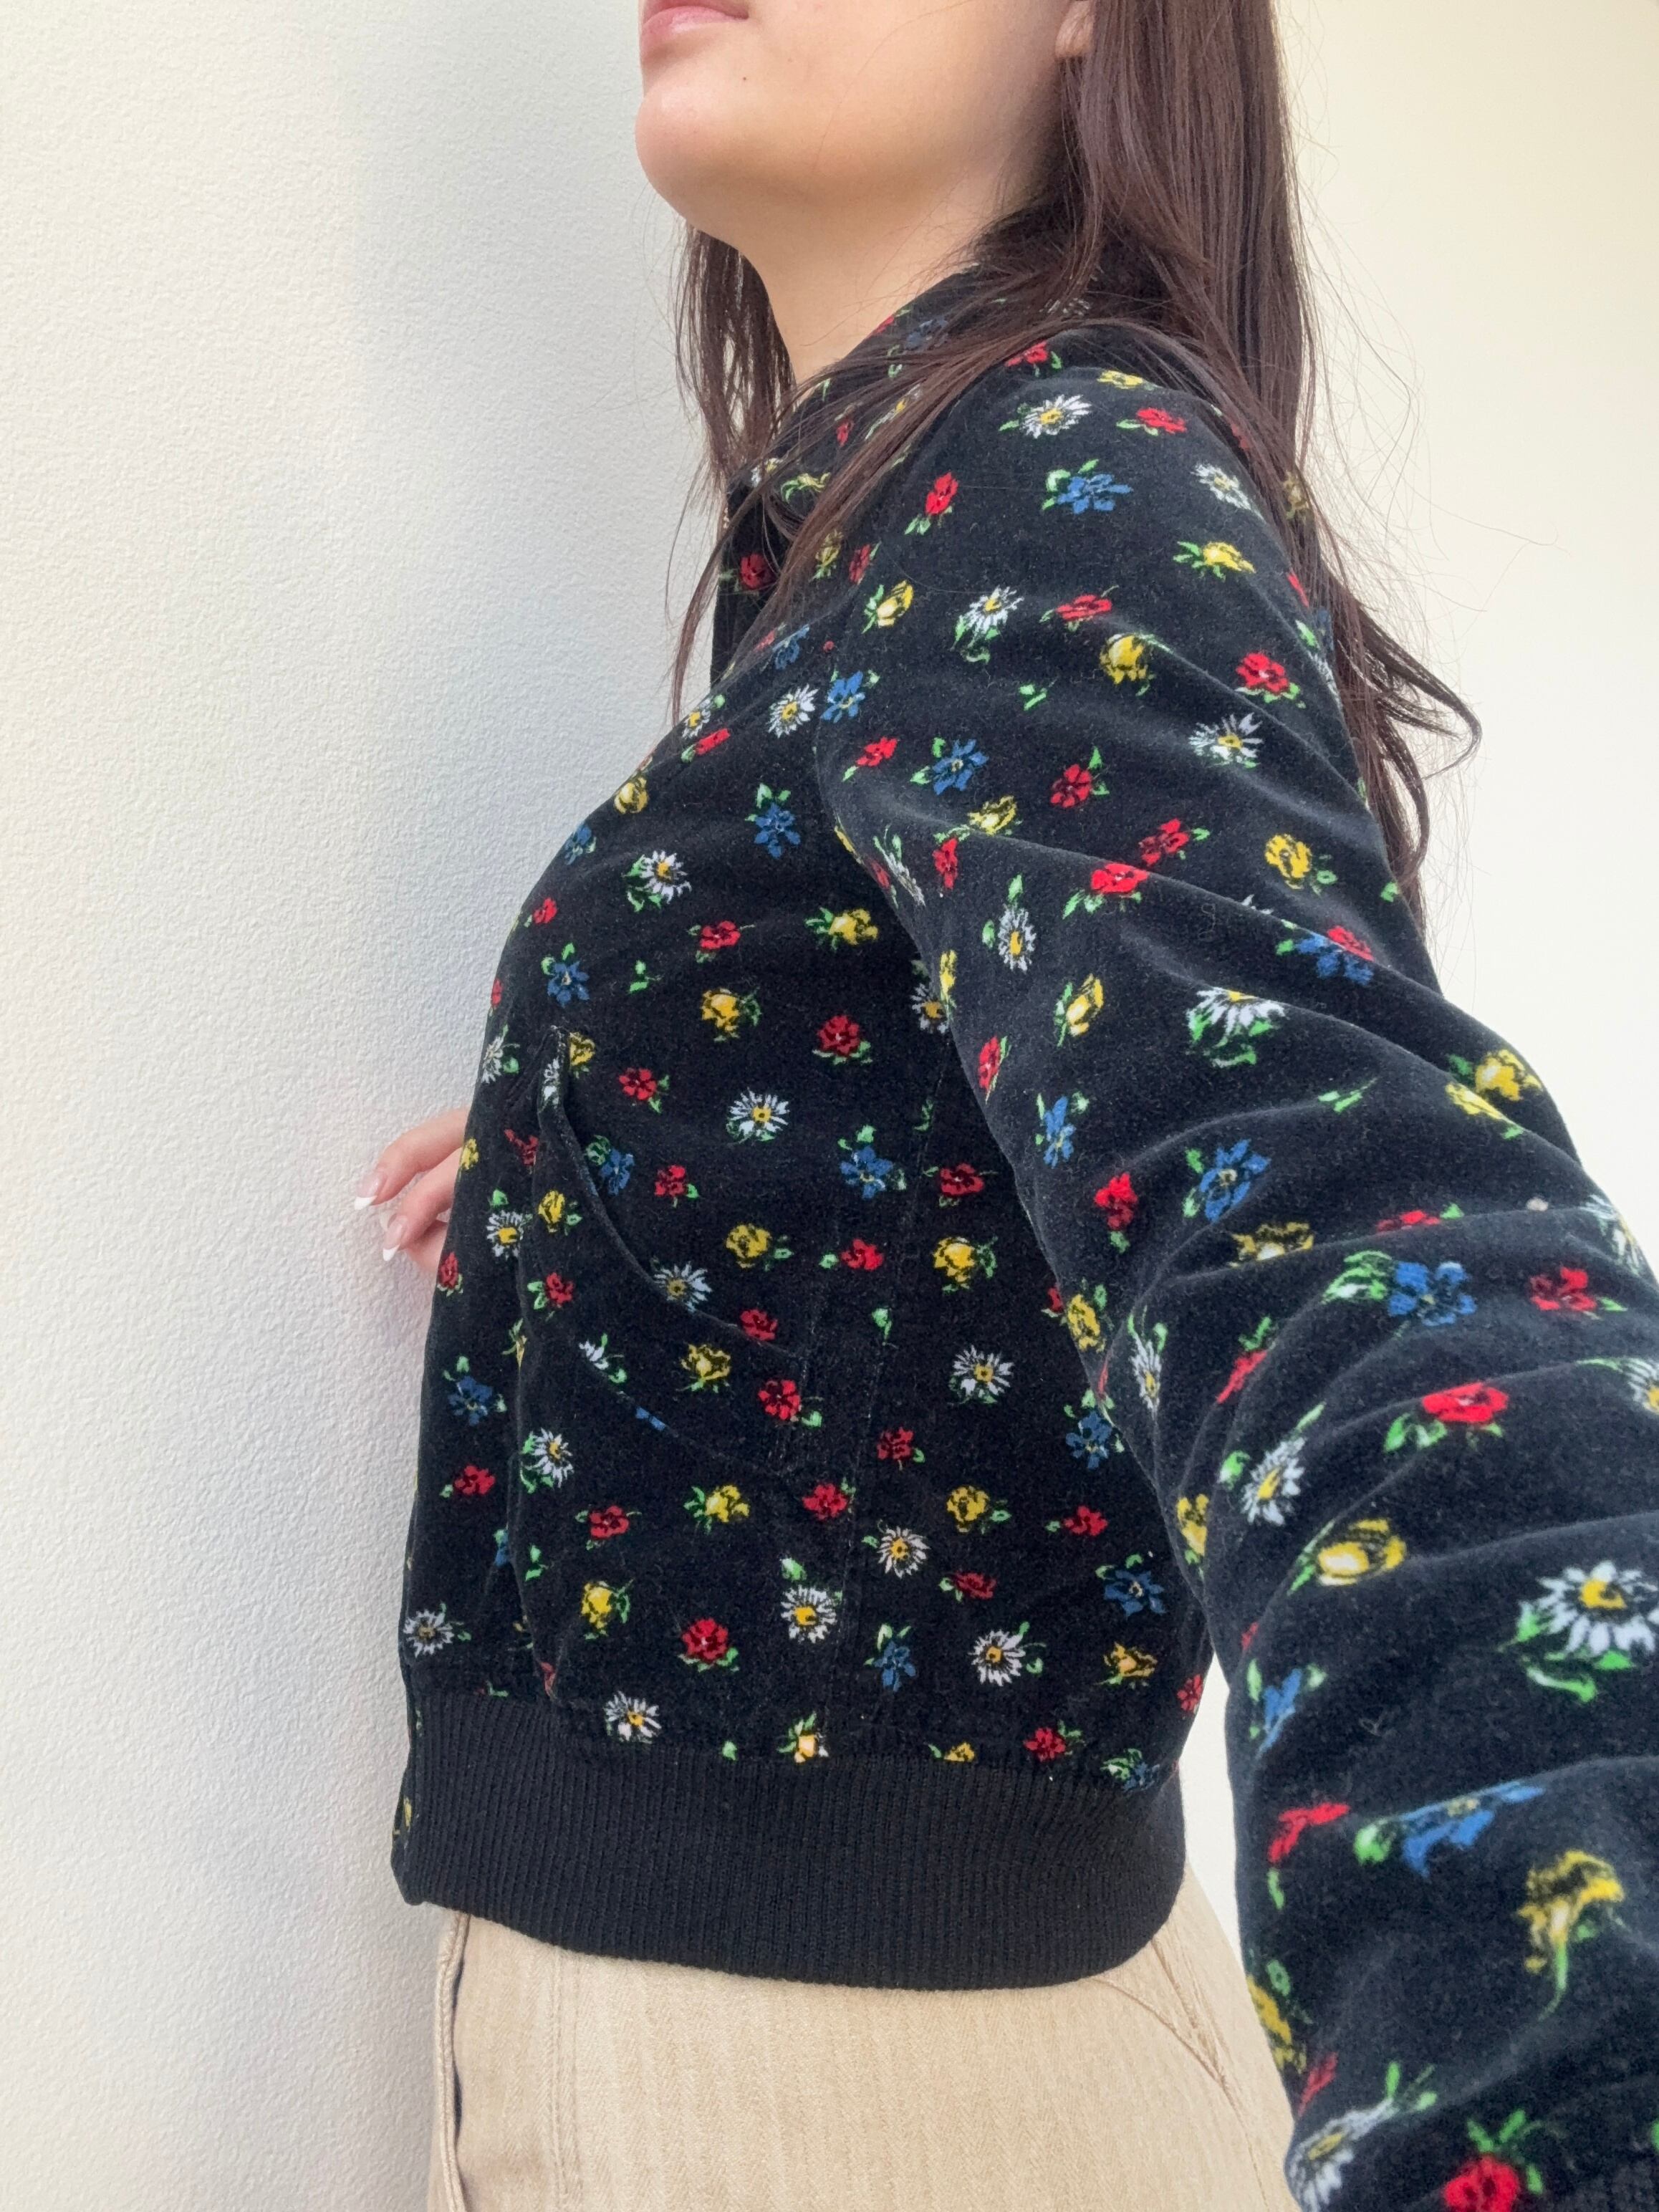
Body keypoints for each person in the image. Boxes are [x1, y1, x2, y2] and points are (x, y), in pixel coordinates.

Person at [357, 4, 1659, 2208]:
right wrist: (643, 1121)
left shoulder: (1045, 476)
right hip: (893, 2024)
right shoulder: (921, 516)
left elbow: (1359, 1248)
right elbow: (1040, 1084)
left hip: (820, 2080)